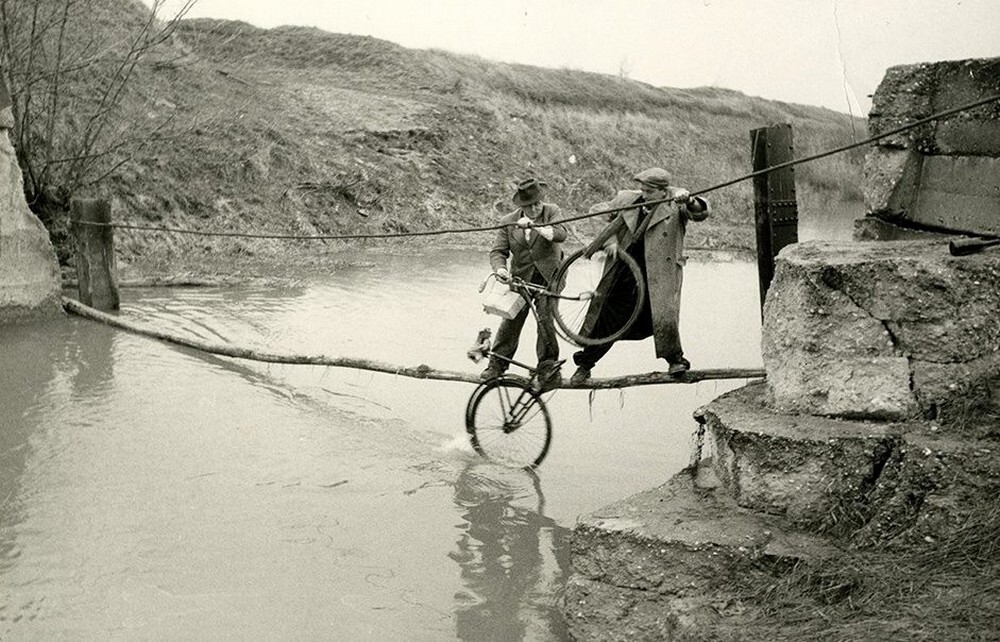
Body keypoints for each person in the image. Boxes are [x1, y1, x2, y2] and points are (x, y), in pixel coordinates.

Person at [570, 167, 710, 385]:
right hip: (624, 270)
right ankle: (585, 365)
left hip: (657, 274)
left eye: (650, 192)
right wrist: (610, 242)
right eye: (643, 190)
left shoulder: (676, 203)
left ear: (663, 191)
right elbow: (596, 214)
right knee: (607, 315)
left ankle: (675, 361)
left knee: (663, 317)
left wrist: (690, 200)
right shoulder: (628, 199)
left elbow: (700, 212)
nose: (644, 195)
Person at [481, 178, 568, 389]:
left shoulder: (552, 211)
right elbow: (498, 252)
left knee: (545, 319)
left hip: (550, 277)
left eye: (538, 203)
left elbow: (560, 234)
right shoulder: (508, 221)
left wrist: (536, 227)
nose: (535, 208)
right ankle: (497, 365)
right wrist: (500, 269)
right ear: (521, 206)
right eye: (529, 206)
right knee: (511, 320)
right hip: (521, 278)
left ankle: (548, 369)